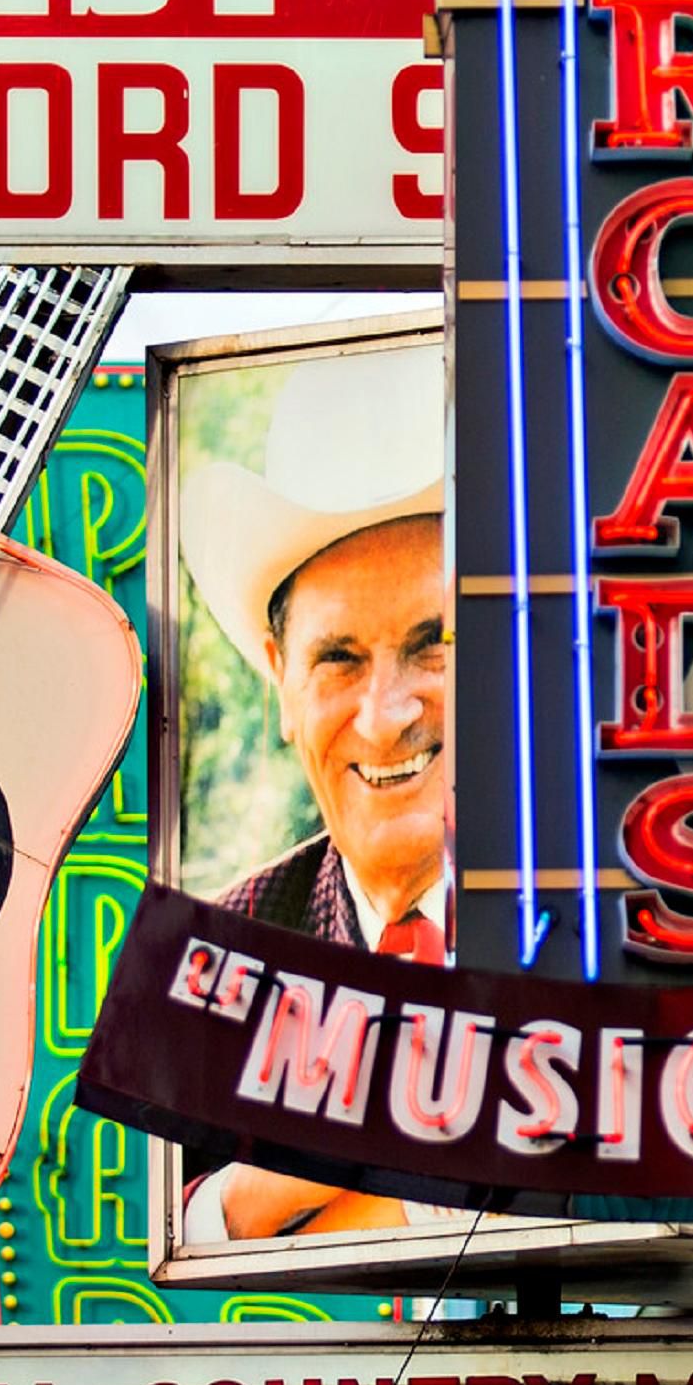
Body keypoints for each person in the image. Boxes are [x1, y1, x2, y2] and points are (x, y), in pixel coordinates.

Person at [169, 353, 461, 1244]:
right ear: (279, 682)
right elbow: (170, 1247)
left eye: (435, 643)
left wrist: (309, 1197)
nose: (386, 717)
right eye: (338, 659)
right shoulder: (221, 951)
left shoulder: (623, 906)